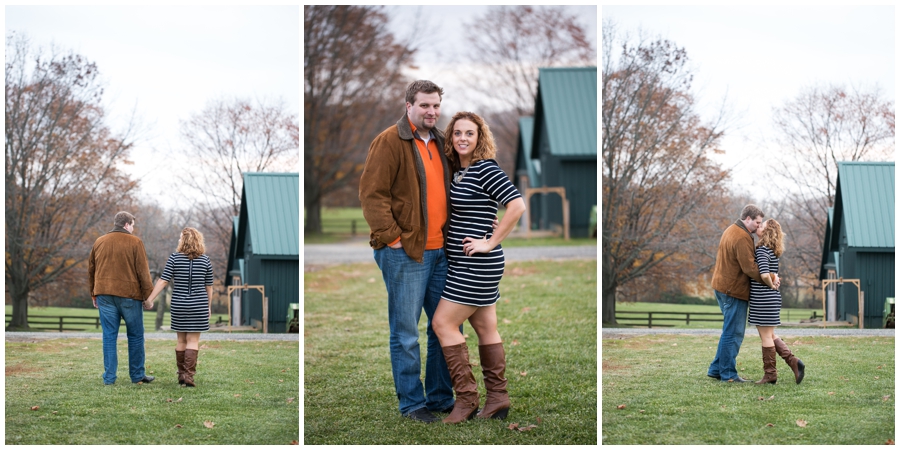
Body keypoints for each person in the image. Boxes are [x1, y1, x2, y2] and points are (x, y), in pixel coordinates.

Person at [359, 80, 457, 423]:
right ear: (408, 106)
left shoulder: (444, 142)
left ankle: (442, 399)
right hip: (405, 254)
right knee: (405, 333)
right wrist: (392, 238)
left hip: (442, 253)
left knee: (443, 326)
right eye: (424, 106)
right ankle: (413, 404)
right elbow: (372, 195)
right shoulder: (390, 141)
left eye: (436, 106)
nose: (431, 112)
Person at [431, 111, 526, 424]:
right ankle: (497, 399)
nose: (462, 138)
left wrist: (491, 241)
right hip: (464, 262)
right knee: (486, 328)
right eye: (457, 133)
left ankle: (467, 399)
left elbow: (516, 205)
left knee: (443, 324)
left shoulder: (485, 168)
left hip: (478, 262)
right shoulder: (460, 171)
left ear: (480, 137)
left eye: (469, 133)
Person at [707, 204, 779, 383]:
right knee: (734, 333)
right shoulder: (742, 237)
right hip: (733, 290)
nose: (758, 226)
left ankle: (716, 369)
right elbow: (750, 268)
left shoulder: (731, 230)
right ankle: (728, 374)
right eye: (757, 222)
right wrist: (771, 277)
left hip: (722, 287)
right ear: (747, 219)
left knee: (728, 331)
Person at [88, 211, 155, 385]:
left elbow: (91, 271)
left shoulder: (99, 242)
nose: (133, 228)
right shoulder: (135, 242)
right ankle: (137, 376)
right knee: (135, 336)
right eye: (132, 224)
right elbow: (143, 272)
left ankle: (109, 378)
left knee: (109, 336)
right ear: (126, 224)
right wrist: (149, 297)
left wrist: (93, 293)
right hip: (129, 295)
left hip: (104, 294)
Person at [144, 227, 214, 387]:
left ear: (184, 240)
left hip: (179, 305)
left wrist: (150, 299)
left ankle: (182, 375)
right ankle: (189, 376)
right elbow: (209, 286)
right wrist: (208, 306)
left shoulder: (174, 258)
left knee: (181, 340)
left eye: (179, 238)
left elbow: (163, 280)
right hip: (199, 304)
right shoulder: (205, 260)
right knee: (193, 341)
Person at [749, 219, 805, 385]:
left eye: (762, 226)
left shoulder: (762, 250)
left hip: (763, 298)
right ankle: (793, 362)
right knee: (770, 335)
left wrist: (771, 283)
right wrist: (773, 283)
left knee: (766, 337)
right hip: (771, 299)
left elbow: (765, 274)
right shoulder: (772, 250)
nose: (759, 227)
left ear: (767, 232)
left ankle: (770, 374)